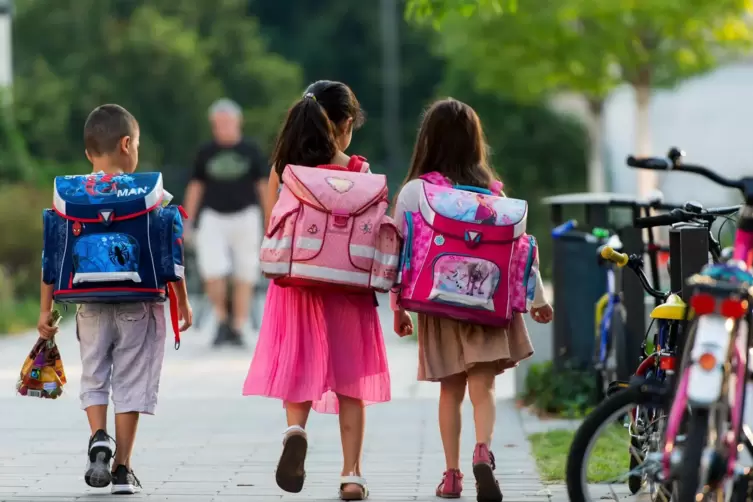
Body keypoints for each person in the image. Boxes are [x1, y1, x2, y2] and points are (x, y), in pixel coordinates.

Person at [390, 98, 554, 502]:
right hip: (486, 303)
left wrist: (398, 307)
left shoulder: (416, 193)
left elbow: (398, 251)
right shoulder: (493, 195)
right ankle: (483, 448)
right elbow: (519, 253)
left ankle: (451, 476)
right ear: (474, 143)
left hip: (438, 303)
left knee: (450, 391)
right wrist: (538, 298)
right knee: (483, 388)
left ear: (427, 141)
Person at [243, 81, 391, 501]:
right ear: (344, 124)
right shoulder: (360, 171)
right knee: (351, 382)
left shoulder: (285, 170)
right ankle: (351, 475)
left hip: (297, 285)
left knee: (298, 365)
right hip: (349, 288)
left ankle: (295, 431)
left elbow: (276, 223)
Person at [36, 104, 193, 494]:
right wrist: (183, 303)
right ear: (127, 145)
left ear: (89, 153)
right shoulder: (148, 193)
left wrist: (44, 310)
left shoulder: (70, 195)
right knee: (131, 379)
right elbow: (169, 250)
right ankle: (123, 469)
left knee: (94, 374)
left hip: (88, 302)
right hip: (138, 302)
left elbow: (51, 254)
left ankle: (98, 437)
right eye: (135, 143)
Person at [183, 99, 268, 346]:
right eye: (217, 124)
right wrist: (188, 221)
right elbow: (196, 186)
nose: (222, 128)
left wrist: (270, 218)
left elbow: (262, 187)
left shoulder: (251, 151)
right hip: (213, 216)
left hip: (246, 215)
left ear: (237, 122)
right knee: (212, 269)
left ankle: (238, 324)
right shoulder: (206, 152)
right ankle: (222, 319)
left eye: (226, 122)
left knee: (246, 271)